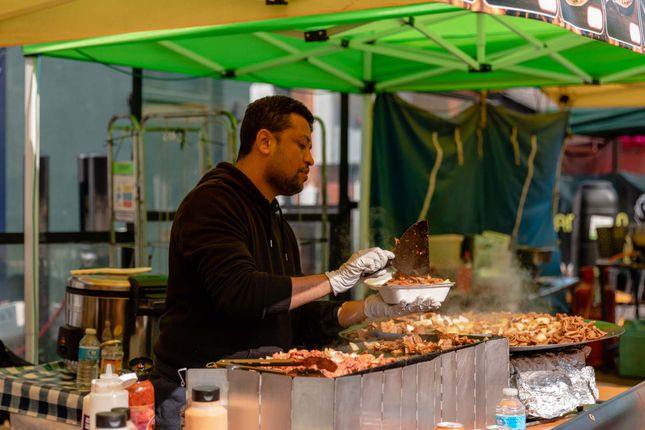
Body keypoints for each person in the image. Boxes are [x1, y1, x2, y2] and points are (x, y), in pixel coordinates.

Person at [152, 95, 402, 429]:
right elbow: (241, 294)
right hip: (197, 400)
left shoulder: (277, 222)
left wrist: (368, 309)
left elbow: (292, 316)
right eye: (302, 145)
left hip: (255, 396)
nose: (311, 159)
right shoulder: (213, 202)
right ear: (265, 141)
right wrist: (335, 279)